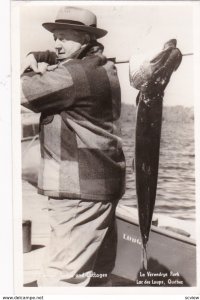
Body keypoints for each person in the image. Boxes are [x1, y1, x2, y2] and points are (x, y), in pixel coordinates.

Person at [21, 6, 126, 287]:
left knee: (61, 280)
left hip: (78, 192)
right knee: (97, 277)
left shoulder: (75, 74)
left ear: (86, 40)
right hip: (100, 187)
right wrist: (46, 58)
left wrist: (31, 64)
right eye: (55, 37)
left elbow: (21, 92)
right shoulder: (103, 67)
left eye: (65, 38)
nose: (57, 44)